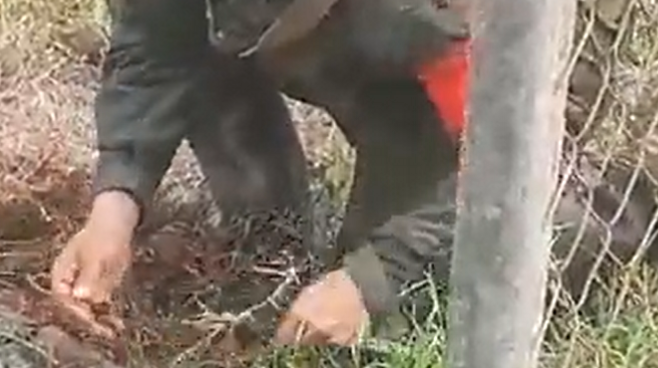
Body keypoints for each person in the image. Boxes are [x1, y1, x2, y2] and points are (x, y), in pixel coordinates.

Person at [49, 0, 472, 348]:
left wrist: (379, 276)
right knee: (204, 42)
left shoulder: (442, 19)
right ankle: (273, 249)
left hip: (416, 62)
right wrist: (115, 207)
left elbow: (510, 156)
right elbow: (157, 48)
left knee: (395, 320)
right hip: (309, 27)